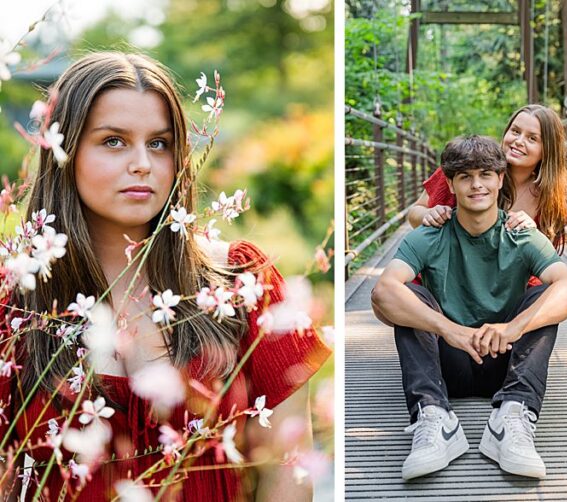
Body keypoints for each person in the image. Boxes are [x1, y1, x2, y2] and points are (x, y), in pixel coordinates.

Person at [0, 52, 330, 500]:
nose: (143, 163)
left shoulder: (240, 282)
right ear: (65, 151)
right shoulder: (15, 300)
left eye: (159, 143)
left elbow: (285, 472)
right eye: (113, 141)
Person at [371, 135, 567, 480]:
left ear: (500, 179)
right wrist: (449, 330)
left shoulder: (521, 234)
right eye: (465, 177)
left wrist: (512, 328)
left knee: (546, 296)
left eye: (485, 174)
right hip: (446, 363)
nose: (476, 185)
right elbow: (382, 293)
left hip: (506, 359)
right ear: (450, 184)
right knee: (407, 295)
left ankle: (512, 417)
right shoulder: (428, 235)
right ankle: (434, 418)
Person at [407, 104, 567, 254]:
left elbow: (546, 258)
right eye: (515, 131)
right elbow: (414, 213)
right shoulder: (464, 165)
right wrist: (429, 215)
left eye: (532, 138)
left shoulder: (550, 198)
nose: (518, 141)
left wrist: (532, 233)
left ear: (548, 150)